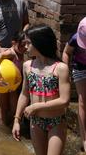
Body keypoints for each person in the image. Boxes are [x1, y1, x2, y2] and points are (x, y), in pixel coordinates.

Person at [13, 26, 70, 155]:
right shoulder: (28, 66)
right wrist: (17, 120)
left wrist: (36, 106)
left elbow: (65, 100)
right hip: (36, 122)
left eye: (28, 43)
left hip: (56, 121)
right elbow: (24, 94)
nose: (25, 46)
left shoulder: (60, 68)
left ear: (40, 42)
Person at [62, 17, 86, 152]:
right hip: (80, 68)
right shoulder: (75, 38)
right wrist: (65, 73)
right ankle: (84, 139)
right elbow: (66, 53)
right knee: (82, 101)